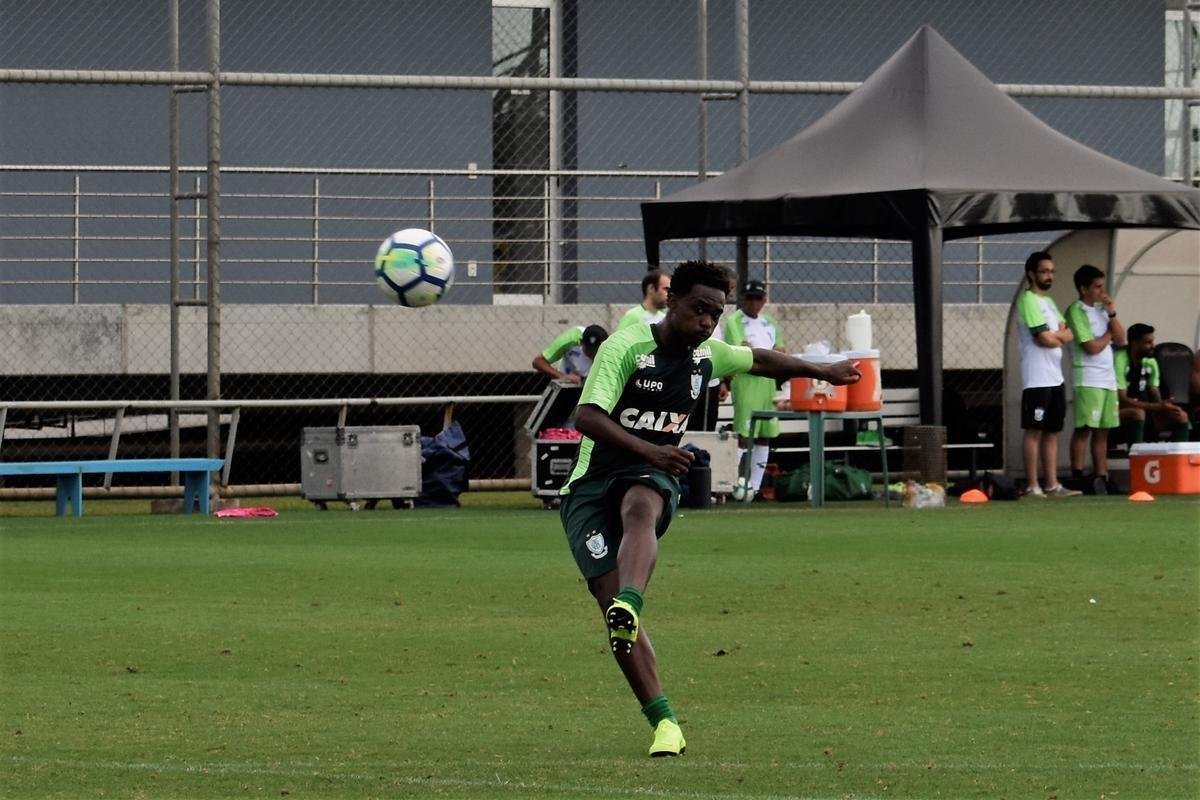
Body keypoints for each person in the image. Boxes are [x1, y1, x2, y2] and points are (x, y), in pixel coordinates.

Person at [557, 260, 859, 757]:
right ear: (672, 300)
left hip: (649, 472)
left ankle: (631, 600)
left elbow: (758, 359)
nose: (707, 321)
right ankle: (664, 721)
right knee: (614, 621)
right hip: (589, 486)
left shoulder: (706, 355)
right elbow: (586, 416)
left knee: (640, 506)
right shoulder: (626, 347)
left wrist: (820, 369)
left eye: (716, 314)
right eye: (699, 309)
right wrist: (652, 449)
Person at [1015, 252, 1081, 497]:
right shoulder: (1029, 300)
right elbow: (1044, 339)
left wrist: (1057, 336)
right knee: (1034, 430)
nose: (1049, 276)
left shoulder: (1049, 302)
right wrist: (1057, 337)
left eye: (1052, 271)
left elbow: (1069, 333)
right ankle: (1033, 485)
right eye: (1044, 271)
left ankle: (1052, 484)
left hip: (1055, 377)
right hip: (1037, 378)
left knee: (1053, 431)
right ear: (1032, 274)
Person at [722, 279, 787, 499]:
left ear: (764, 300)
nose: (753, 302)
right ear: (742, 299)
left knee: (764, 435)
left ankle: (755, 488)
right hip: (746, 382)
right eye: (749, 298)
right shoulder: (734, 321)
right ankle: (730, 485)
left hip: (767, 383)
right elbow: (742, 350)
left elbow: (781, 351)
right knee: (744, 434)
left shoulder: (770, 323)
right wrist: (767, 355)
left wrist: (764, 355)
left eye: (758, 298)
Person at [1064, 264, 1124, 494]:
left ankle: (1102, 476)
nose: (1102, 291)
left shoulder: (1102, 310)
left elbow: (1121, 340)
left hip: (1108, 378)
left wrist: (1112, 313)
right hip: (1088, 377)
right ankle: (1078, 475)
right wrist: (1108, 334)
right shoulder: (1076, 310)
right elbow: (1091, 347)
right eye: (1097, 287)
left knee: (1103, 430)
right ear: (1083, 289)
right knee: (1085, 427)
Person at [1115, 323, 1191, 443]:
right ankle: (1137, 453)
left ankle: (1174, 454)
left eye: (1152, 342)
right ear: (1135, 343)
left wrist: (1164, 406)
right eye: (1148, 343)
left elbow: (1154, 390)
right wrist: (1156, 406)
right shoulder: (1120, 360)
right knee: (1137, 413)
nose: (1153, 346)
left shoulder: (1150, 361)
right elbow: (1122, 400)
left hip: (1146, 410)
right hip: (1117, 413)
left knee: (1180, 415)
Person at [532, 324, 609, 384]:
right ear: (581, 343)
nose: (593, 354)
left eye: (597, 351)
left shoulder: (610, 348)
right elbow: (538, 361)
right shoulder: (570, 339)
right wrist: (562, 376)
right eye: (590, 351)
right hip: (570, 383)